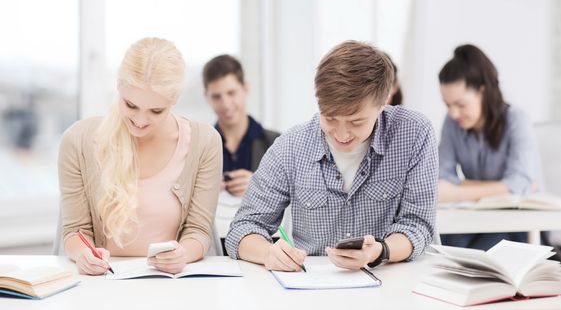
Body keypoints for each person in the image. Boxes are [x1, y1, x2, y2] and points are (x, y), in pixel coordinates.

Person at [225, 40, 438, 271]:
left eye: (356, 122)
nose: (342, 134)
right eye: (330, 118)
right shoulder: (291, 146)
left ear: (384, 101)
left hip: (390, 280)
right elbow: (243, 228)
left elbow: (418, 225)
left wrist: (380, 250)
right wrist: (268, 253)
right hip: (311, 285)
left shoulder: (414, 133)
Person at [59, 37, 222, 275]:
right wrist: (83, 255)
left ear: (174, 100)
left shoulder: (204, 142)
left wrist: (182, 255)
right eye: (130, 105)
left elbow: (199, 231)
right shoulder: (78, 141)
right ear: (118, 88)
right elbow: (75, 231)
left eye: (156, 111)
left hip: (171, 282)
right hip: (103, 282)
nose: (140, 121)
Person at [437, 44, 543, 250]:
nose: (453, 113)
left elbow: (520, 185)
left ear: (483, 92)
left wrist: (459, 190)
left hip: (521, 221)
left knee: (481, 252)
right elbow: (443, 179)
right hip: (479, 218)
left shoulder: (516, 120)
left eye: (461, 104)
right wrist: (499, 186)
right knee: (445, 244)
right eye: (447, 104)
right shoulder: (452, 123)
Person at [202, 55, 280, 254]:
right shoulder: (201, 147)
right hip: (213, 250)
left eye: (231, 93)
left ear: (246, 89)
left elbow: (295, 202)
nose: (226, 104)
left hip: (263, 246)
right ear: (207, 97)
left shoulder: (276, 143)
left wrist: (257, 185)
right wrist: (204, 190)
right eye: (217, 96)